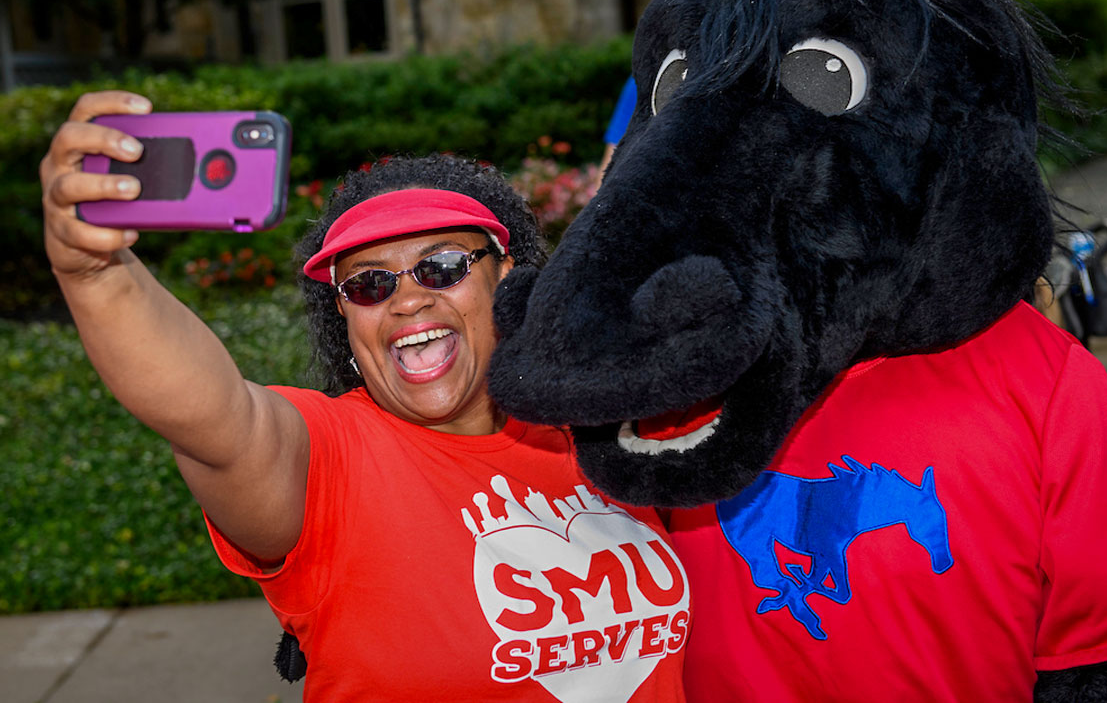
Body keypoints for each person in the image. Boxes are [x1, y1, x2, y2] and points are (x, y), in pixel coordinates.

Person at [40, 91, 690, 702]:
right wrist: (94, 274)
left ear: (506, 275)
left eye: (442, 266)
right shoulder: (329, 459)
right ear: (346, 319)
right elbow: (209, 413)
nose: (408, 299)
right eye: (369, 284)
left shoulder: (604, 428)